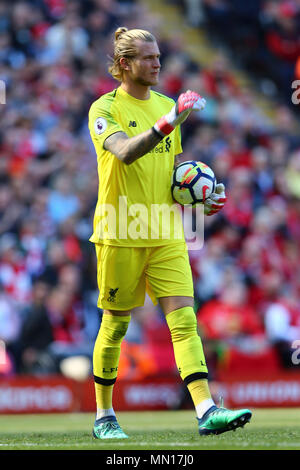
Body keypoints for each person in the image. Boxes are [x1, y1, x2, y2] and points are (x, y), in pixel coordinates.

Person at [88, 27, 251, 440]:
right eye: (148, 57)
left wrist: (202, 197)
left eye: (159, 56)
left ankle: (205, 408)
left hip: (164, 232)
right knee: (116, 326)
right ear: (124, 64)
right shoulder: (103, 109)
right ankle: (104, 416)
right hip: (120, 229)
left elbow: (171, 178)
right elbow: (125, 153)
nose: (157, 63)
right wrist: (167, 121)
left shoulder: (166, 105)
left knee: (184, 321)